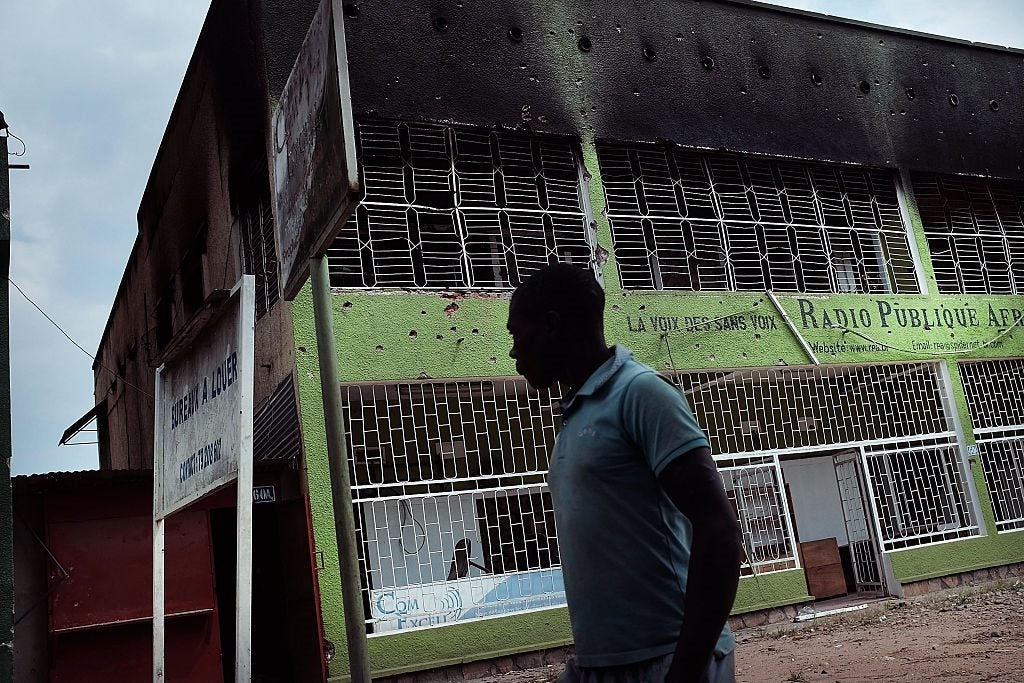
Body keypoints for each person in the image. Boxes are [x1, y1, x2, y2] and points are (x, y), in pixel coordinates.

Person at [506, 263, 742, 683]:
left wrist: (685, 672)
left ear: (552, 326)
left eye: (516, 335)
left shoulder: (641, 394)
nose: (513, 352)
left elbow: (719, 531)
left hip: (668, 659)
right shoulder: (575, 416)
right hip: (603, 665)